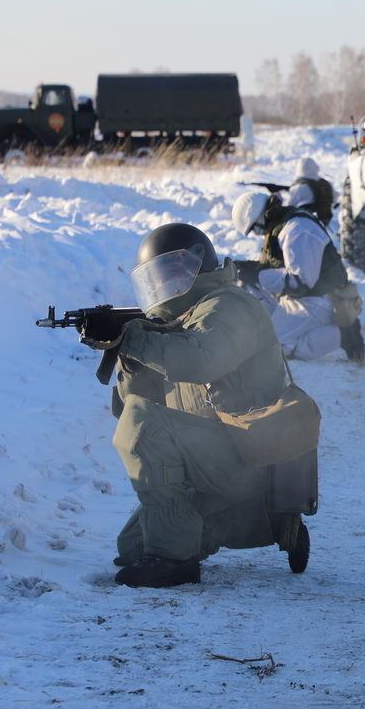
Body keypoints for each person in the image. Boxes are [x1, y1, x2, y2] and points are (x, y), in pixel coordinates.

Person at [109, 223, 314, 587]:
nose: (162, 284)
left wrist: (139, 340)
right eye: (156, 276)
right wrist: (127, 354)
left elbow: (201, 361)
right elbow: (128, 404)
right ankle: (273, 522)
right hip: (211, 457)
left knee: (143, 426)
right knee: (133, 547)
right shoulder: (178, 321)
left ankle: (175, 562)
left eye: (171, 271)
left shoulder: (229, 306)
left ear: (196, 266)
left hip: (246, 452)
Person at [232, 189, 365, 362]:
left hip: (321, 299)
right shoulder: (283, 225)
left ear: (262, 217)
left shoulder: (297, 230)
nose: (260, 234)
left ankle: (343, 334)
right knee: (248, 288)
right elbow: (281, 266)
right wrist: (248, 269)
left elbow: (300, 281)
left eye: (256, 229)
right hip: (301, 295)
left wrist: (258, 275)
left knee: (272, 348)